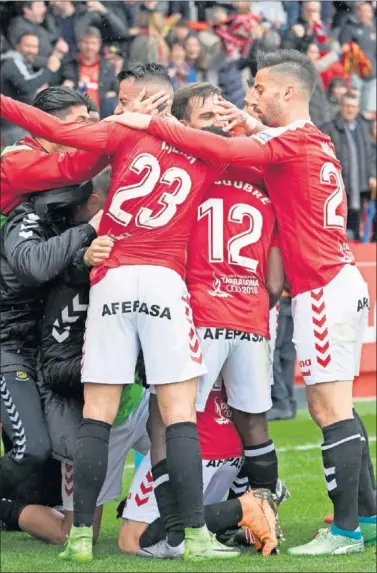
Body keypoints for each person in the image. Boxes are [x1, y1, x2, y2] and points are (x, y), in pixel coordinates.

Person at [103, 48, 376, 556]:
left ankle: (342, 531)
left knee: (322, 408)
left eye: (259, 89)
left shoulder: (274, 150)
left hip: (306, 290)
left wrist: (150, 121)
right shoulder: (315, 140)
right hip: (301, 295)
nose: (249, 98)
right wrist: (248, 119)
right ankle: (363, 514)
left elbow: (226, 152)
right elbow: (262, 140)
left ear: (288, 93)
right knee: (320, 410)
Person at [0, 84, 240, 564]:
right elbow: (262, 154)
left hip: (109, 276)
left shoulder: (119, 136)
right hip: (159, 280)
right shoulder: (212, 149)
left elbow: (57, 136)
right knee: (176, 414)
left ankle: (81, 539)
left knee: (97, 414)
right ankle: (193, 535)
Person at [36, 168, 150, 544]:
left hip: (141, 404)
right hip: (93, 416)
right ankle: (10, 509)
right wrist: (111, 370)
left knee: (195, 440)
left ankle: (147, 513)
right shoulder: (72, 276)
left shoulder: (146, 260)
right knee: (78, 534)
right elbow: (53, 368)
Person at [119, 376, 278, 559]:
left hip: (187, 443)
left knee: (132, 539)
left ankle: (245, 508)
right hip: (229, 438)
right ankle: (237, 516)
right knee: (191, 520)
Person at [0, 86, 109, 218]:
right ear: (49, 123)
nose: (89, 130)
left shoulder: (45, 154)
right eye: (81, 122)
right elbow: (75, 167)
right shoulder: (17, 162)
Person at [322, 92, 376, 241]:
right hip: (338, 187)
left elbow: (369, 154)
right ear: (341, 106)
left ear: (357, 108)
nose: (350, 110)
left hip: (360, 186)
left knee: (355, 228)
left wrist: (371, 175)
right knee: (338, 230)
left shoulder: (363, 127)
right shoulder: (329, 129)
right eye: (347, 106)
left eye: (353, 107)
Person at [0, 32, 66, 145]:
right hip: (13, 127)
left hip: (21, 124)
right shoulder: (12, 61)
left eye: (34, 47)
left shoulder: (24, 63)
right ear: (17, 46)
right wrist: (49, 70)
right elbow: (26, 86)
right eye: (28, 46)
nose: (31, 50)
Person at [60, 27, 117, 118]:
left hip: (101, 119)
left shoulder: (108, 66)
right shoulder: (69, 63)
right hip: (74, 117)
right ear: (79, 44)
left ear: (99, 45)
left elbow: (115, 89)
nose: (89, 47)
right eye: (86, 42)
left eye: (93, 43)